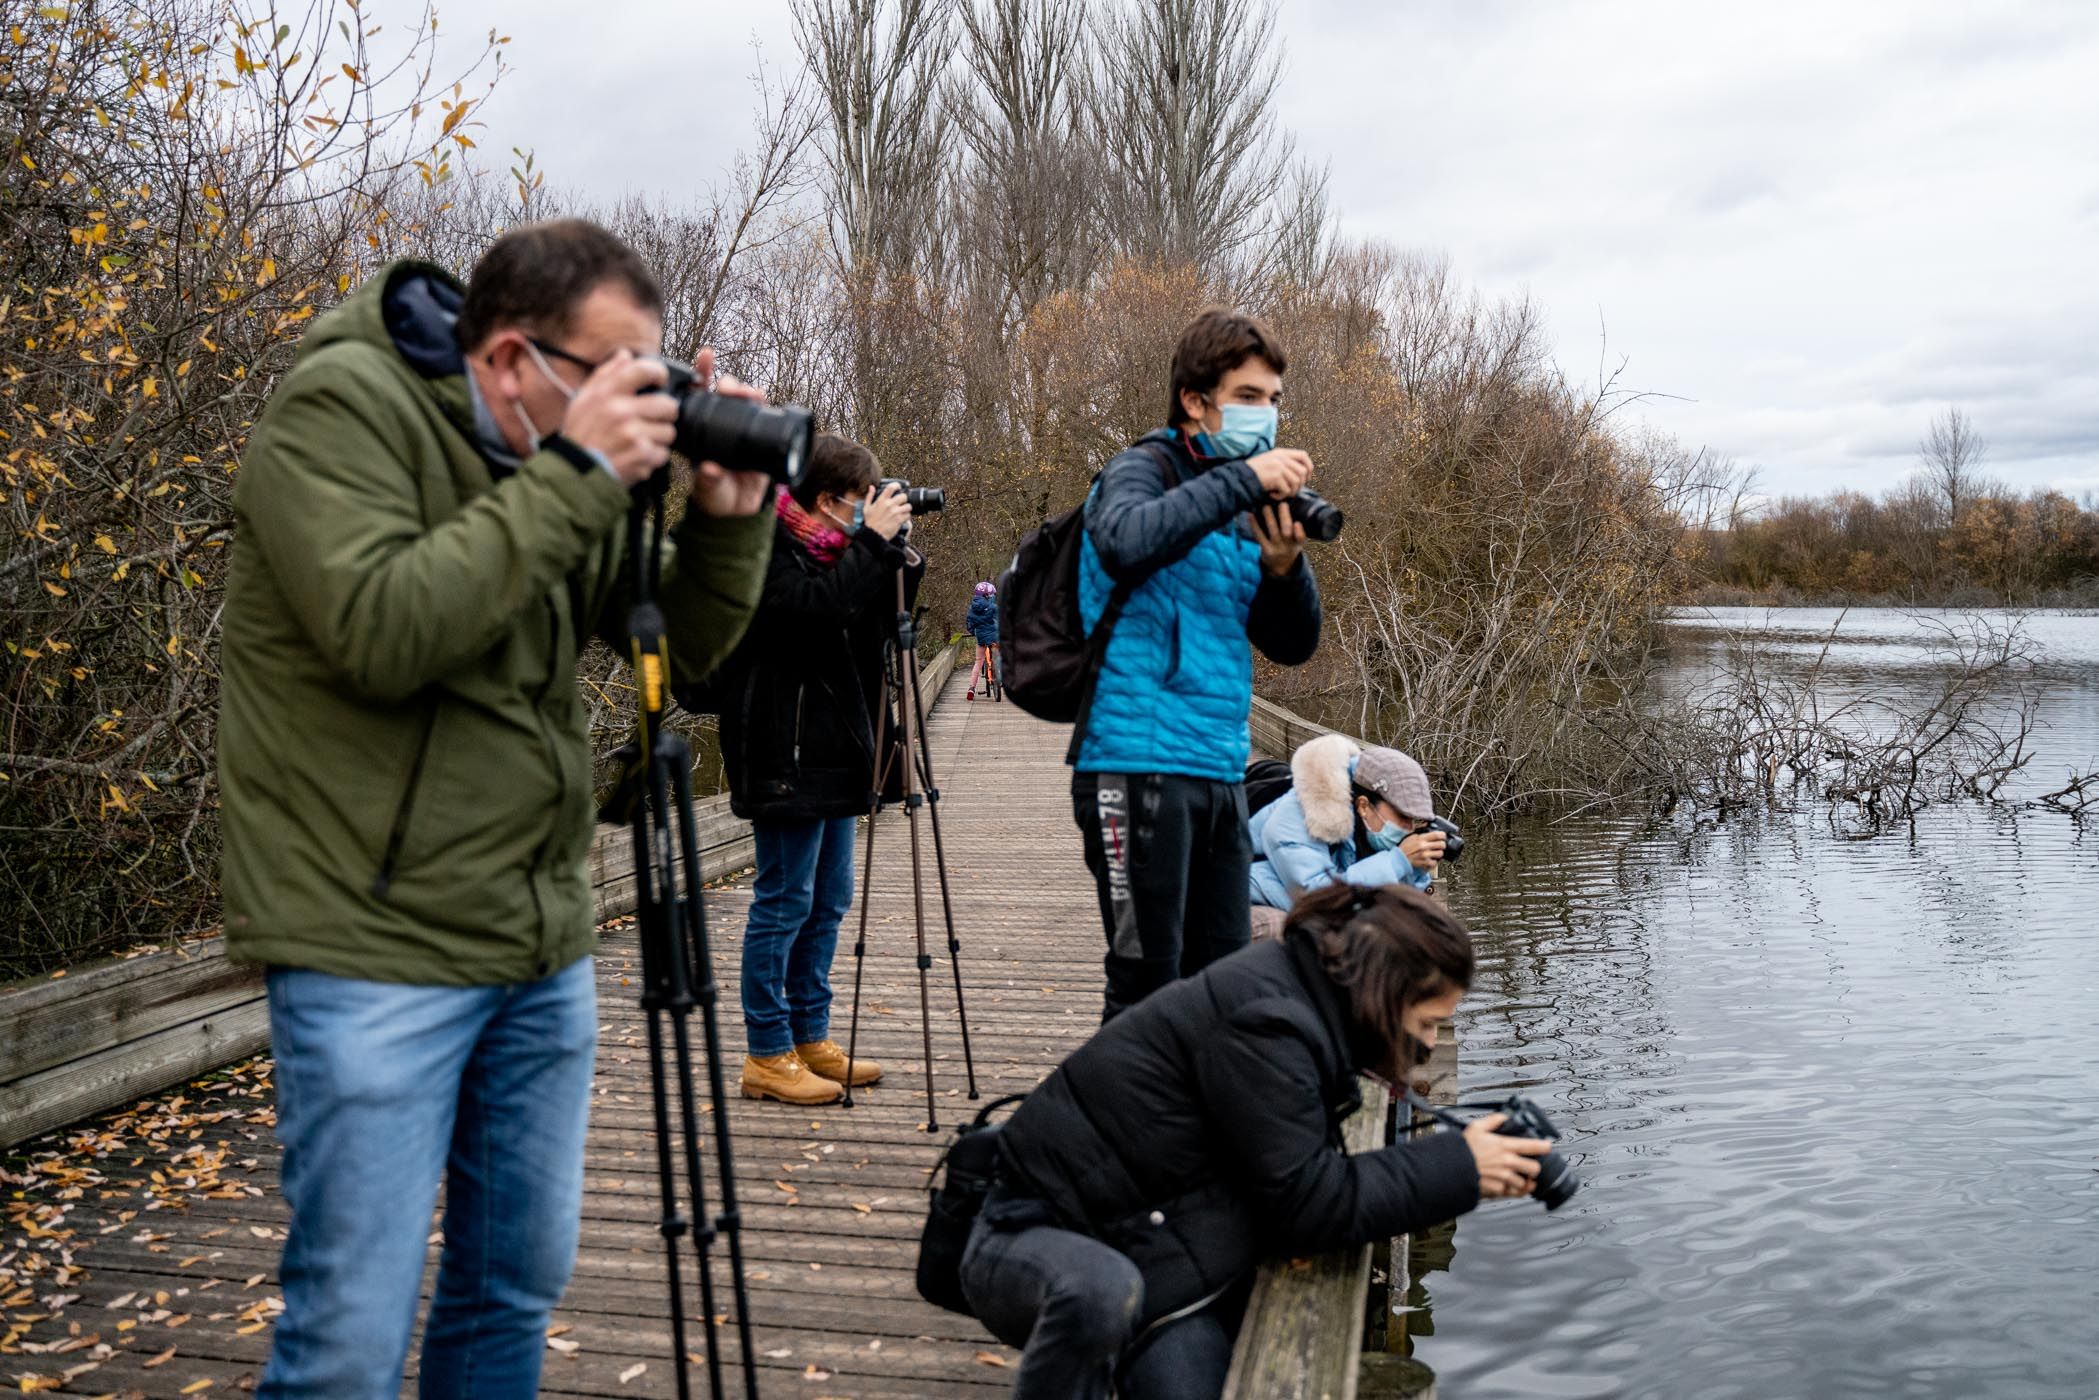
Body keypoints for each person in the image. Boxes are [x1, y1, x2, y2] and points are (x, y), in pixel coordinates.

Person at [216, 219, 777, 1398]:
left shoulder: (546, 457)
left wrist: (727, 521)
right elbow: (383, 628)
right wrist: (579, 475)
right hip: (367, 939)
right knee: (349, 1333)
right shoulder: (339, 412)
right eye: (614, 374)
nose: (639, 405)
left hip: (533, 938)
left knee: (510, 1287)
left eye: (653, 376)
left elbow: (663, 645)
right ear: (515, 357)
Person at [961, 883, 1549, 1400]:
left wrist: (1456, 1165)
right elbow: (1311, 1204)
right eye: (1425, 1023)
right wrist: (1460, 1166)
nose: (1426, 1045)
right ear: (1385, 994)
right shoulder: (1269, 1024)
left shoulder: (1299, 998)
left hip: (1151, 1235)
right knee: (1099, 1294)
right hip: (1030, 1238)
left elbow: (1297, 1180)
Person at [1072, 307, 1324, 1019]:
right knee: (1143, 983)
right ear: (1195, 400)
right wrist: (1242, 482)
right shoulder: (1139, 471)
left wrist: (1283, 569)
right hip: (1132, 764)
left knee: (1218, 979)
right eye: (1247, 397)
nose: (1266, 416)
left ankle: (1192, 1129)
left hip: (1219, 771)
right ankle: (1120, 1131)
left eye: (1273, 400)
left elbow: (1293, 644)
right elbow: (1123, 541)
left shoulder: (1240, 510)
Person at [716, 435, 923, 1105]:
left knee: (828, 901)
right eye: (861, 502)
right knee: (783, 903)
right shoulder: (765, 546)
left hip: (834, 750)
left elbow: (869, 627)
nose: (868, 511)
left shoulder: (839, 551)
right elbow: (810, 614)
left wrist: (892, 553)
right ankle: (767, 1054)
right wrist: (869, 547)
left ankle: (810, 1037)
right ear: (827, 499)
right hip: (783, 750)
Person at [1248, 736, 1449, 937]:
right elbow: (1318, 897)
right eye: (1403, 816)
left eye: (1414, 820)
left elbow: (1397, 906)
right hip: (1242, 905)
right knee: (1281, 931)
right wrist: (1398, 861)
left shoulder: (1370, 829)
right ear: (1364, 806)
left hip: (1311, 911)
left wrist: (1415, 870)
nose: (1409, 827)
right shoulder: (1300, 814)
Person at [966, 580, 1001, 699]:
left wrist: (973, 632)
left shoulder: (972, 608)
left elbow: (969, 623)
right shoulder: (993, 606)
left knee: (978, 661)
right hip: (994, 635)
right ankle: (1000, 674)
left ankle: (971, 688)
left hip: (981, 636)